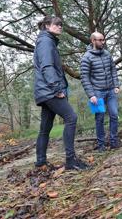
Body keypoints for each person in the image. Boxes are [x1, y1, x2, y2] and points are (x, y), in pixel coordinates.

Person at [33, 15, 88, 170]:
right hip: (50, 90)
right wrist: (56, 88)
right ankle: (70, 161)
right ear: (47, 26)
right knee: (71, 117)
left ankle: (40, 162)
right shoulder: (45, 41)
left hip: (44, 91)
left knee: (45, 128)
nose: (60, 27)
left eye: (61, 24)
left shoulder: (46, 41)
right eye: (57, 24)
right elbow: (47, 67)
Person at [80, 32, 120, 152]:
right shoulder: (86, 57)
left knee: (114, 115)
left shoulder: (107, 54)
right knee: (100, 118)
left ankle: (114, 142)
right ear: (93, 41)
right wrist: (91, 94)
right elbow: (84, 78)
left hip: (111, 91)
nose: (103, 42)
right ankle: (101, 145)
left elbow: (113, 70)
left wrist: (116, 84)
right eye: (100, 40)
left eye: (104, 40)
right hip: (97, 92)